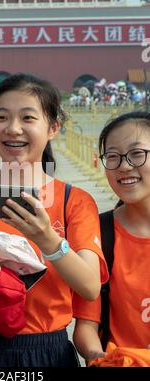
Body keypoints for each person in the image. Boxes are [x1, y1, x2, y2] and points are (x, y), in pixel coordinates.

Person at [0, 73, 108, 367]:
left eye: (27, 118)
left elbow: (89, 287)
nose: (13, 129)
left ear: (53, 127)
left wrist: (48, 240)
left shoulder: (74, 201)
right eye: (1, 117)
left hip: (47, 352)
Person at [73, 111, 150, 365]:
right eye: (113, 157)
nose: (124, 166)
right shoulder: (100, 232)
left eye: (137, 154)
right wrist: (99, 357)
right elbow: (86, 327)